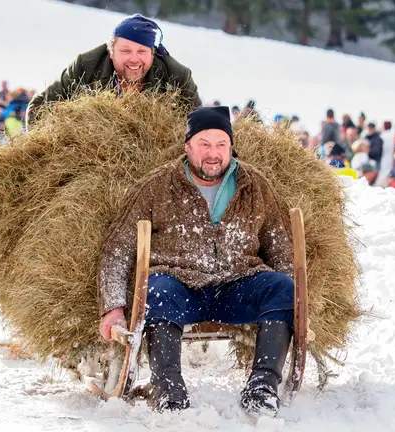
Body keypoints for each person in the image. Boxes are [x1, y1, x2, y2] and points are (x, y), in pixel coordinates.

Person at [98, 106, 295, 417]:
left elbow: (280, 246)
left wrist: (293, 303)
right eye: (204, 144)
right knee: (156, 288)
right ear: (188, 146)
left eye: (221, 144)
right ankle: (168, 390)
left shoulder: (254, 185)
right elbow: (119, 248)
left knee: (284, 287)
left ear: (231, 147)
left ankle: (262, 387)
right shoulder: (158, 185)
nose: (213, 153)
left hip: (237, 283)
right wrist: (113, 306)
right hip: (179, 287)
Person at [26, 14, 201, 129]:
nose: (134, 59)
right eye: (125, 51)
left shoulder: (178, 77)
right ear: (111, 52)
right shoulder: (85, 67)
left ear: (152, 53)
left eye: (141, 52)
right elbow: (38, 107)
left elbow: (202, 126)